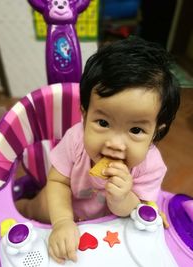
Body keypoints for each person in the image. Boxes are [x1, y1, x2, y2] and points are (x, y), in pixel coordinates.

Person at [16, 36, 180, 264]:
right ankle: (22, 204)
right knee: (32, 209)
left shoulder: (150, 165)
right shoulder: (76, 139)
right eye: (103, 123)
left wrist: (124, 198)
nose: (115, 143)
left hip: (103, 227)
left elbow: (137, 209)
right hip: (61, 206)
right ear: (84, 115)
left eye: (135, 129)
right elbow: (57, 182)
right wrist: (62, 221)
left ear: (156, 132)